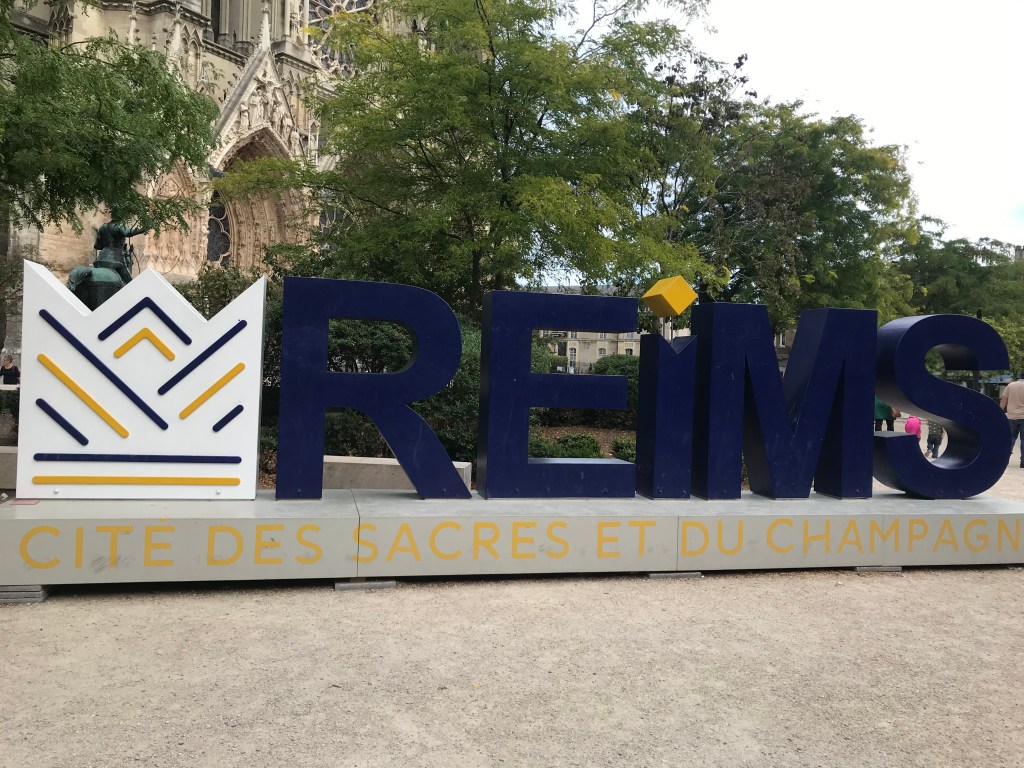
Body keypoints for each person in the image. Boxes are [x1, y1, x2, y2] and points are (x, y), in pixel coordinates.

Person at [1000, 374, 1024, 467]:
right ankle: (1023, 462)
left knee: (1011, 439)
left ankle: (1005, 460)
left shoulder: (1010, 385)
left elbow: (1004, 401)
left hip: (1012, 416)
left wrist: (1000, 413)